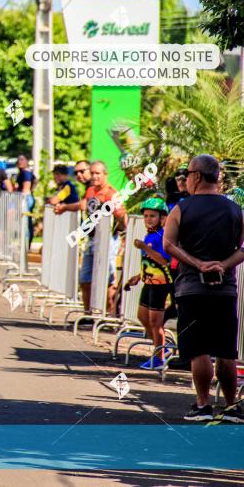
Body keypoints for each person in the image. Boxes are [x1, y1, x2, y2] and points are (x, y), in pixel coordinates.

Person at [163, 154, 244, 423]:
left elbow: (169, 244)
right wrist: (221, 264)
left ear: (197, 176)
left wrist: (199, 264)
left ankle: (203, 404)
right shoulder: (235, 210)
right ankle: (232, 406)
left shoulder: (181, 209)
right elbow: (243, 247)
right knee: (226, 350)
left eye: (187, 173)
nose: (185, 178)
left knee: (198, 350)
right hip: (225, 289)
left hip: (191, 289)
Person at [55, 161, 127, 316]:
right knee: (85, 278)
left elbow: (123, 216)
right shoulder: (90, 192)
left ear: (105, 175)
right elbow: (83, 205)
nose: (94, 176)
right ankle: (88, 313)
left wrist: (124, 236)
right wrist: (64, 208)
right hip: (92, 238)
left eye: (97, 173)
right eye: (92, 173)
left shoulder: (111, 194)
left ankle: (110, 314)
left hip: (108, 240)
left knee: (108, 278)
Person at [124, 198, 173, 369]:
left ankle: (159, 358)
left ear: (162, 217)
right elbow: (149, 262)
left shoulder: (163, 235)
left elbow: (163, 260)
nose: (148, 219)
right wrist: (138, 276)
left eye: (152, 216)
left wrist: (145, 247)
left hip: (161, 284)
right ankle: (162, 349)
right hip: (149, 282)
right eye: (145, 216)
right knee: (142, 316)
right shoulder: (149, 235)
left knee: (155, 321)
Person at [14, 154, 36, 248]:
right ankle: (26, 244)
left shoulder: (25, 172)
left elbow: (26, 187)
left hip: (25, 199)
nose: (20, 161)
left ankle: (25, 245)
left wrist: (26, 194)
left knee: (25, 222)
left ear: (27, 161)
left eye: (22, 160)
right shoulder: (25, 171)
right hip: (28, 198)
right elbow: (35, 180)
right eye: (18, 160)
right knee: (26, 222)